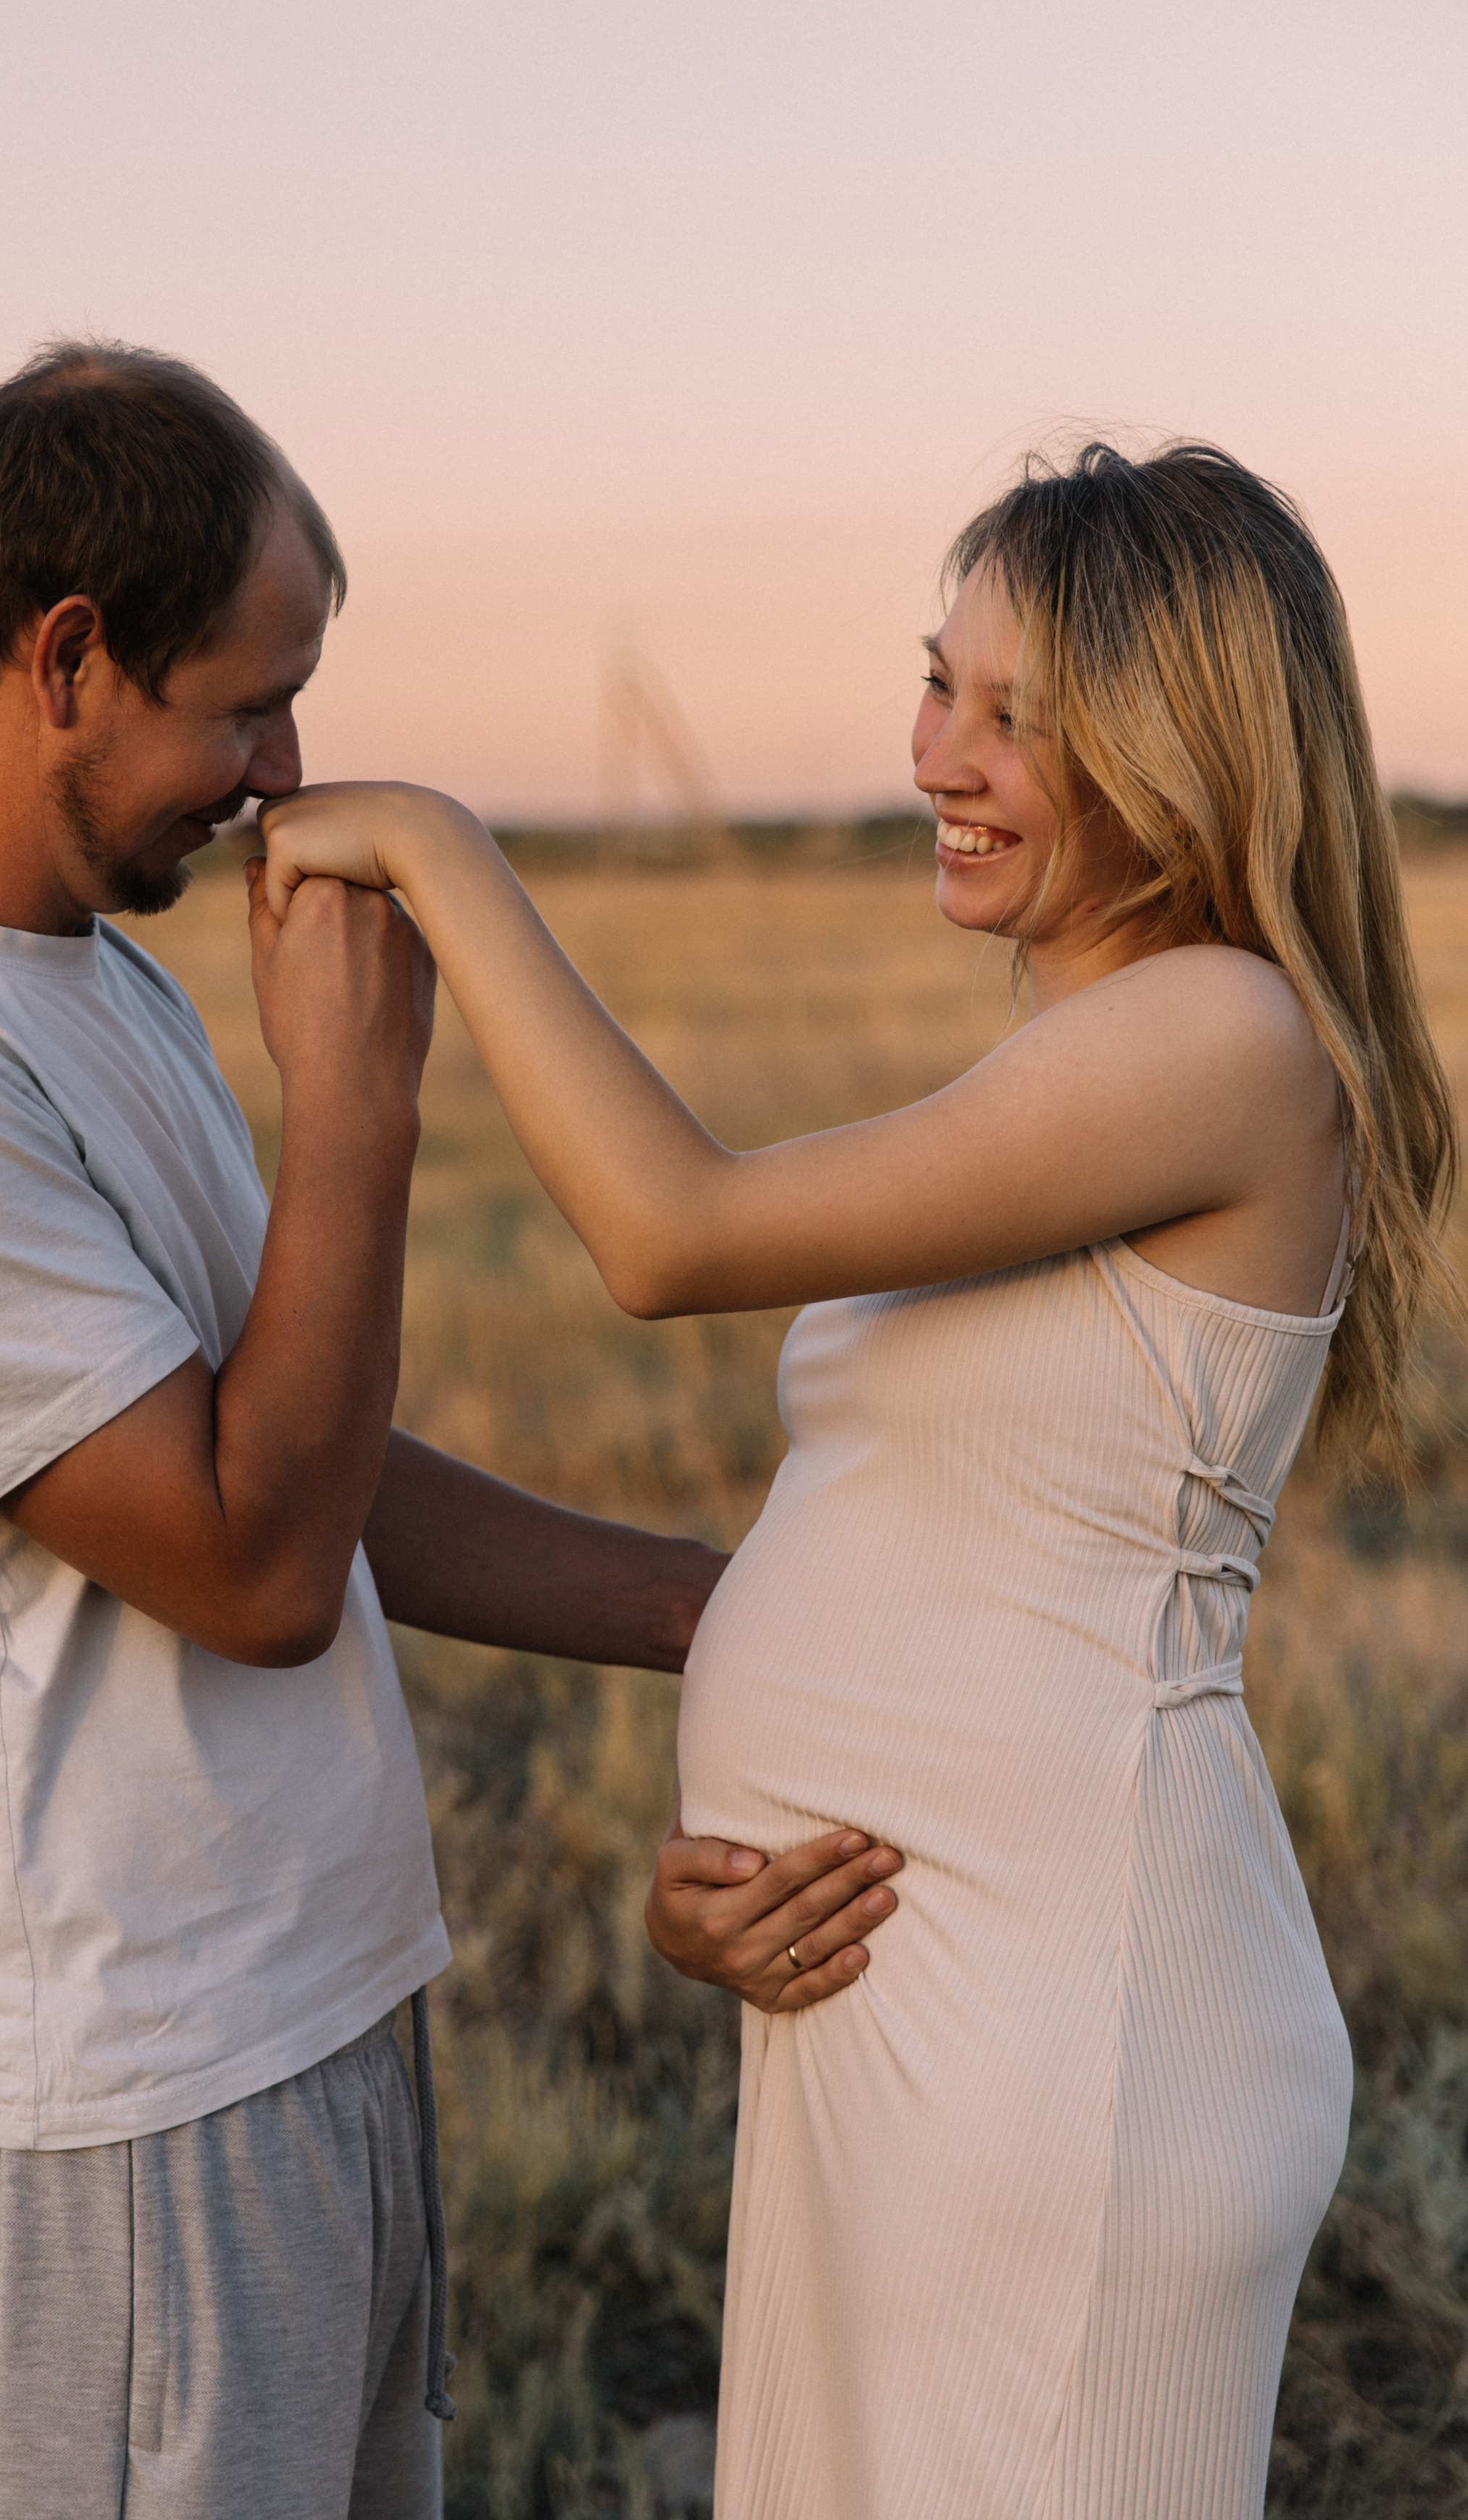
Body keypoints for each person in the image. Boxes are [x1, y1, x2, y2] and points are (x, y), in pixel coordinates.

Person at [0, 343, 904, 2520]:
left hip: (303, 2027)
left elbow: (314, 1462)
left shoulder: (84, 972)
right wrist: (358, 1105)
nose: (280, 771)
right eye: (244, 703)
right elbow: (255, 1567)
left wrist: (742, 1613)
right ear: (65, 658)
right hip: (114, 2132)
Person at [259, 437, 1462, 2520]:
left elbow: (671, 1236)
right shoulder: (1085, 1056)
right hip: (920, 2009)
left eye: (1023, 718)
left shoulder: (1229, 1037)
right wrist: (738, 1848)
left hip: (1080, 2045)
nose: (943, 753)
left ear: (1179, 754)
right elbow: (941, 1562)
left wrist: (441, 849)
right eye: (940, 683)